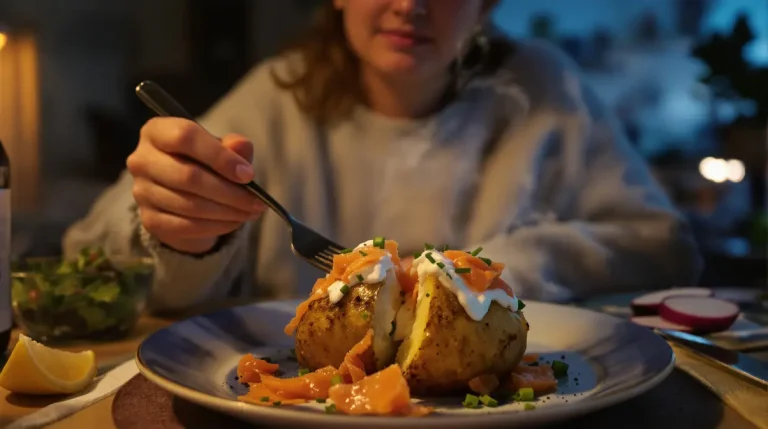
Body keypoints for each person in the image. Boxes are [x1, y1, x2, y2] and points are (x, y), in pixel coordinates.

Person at [63, 0, 702, 313]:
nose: (409, 3)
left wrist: (509, 268)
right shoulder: (277, 96)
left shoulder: (543, 88)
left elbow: (665, 245)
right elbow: (95, 252)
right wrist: (186, 234)